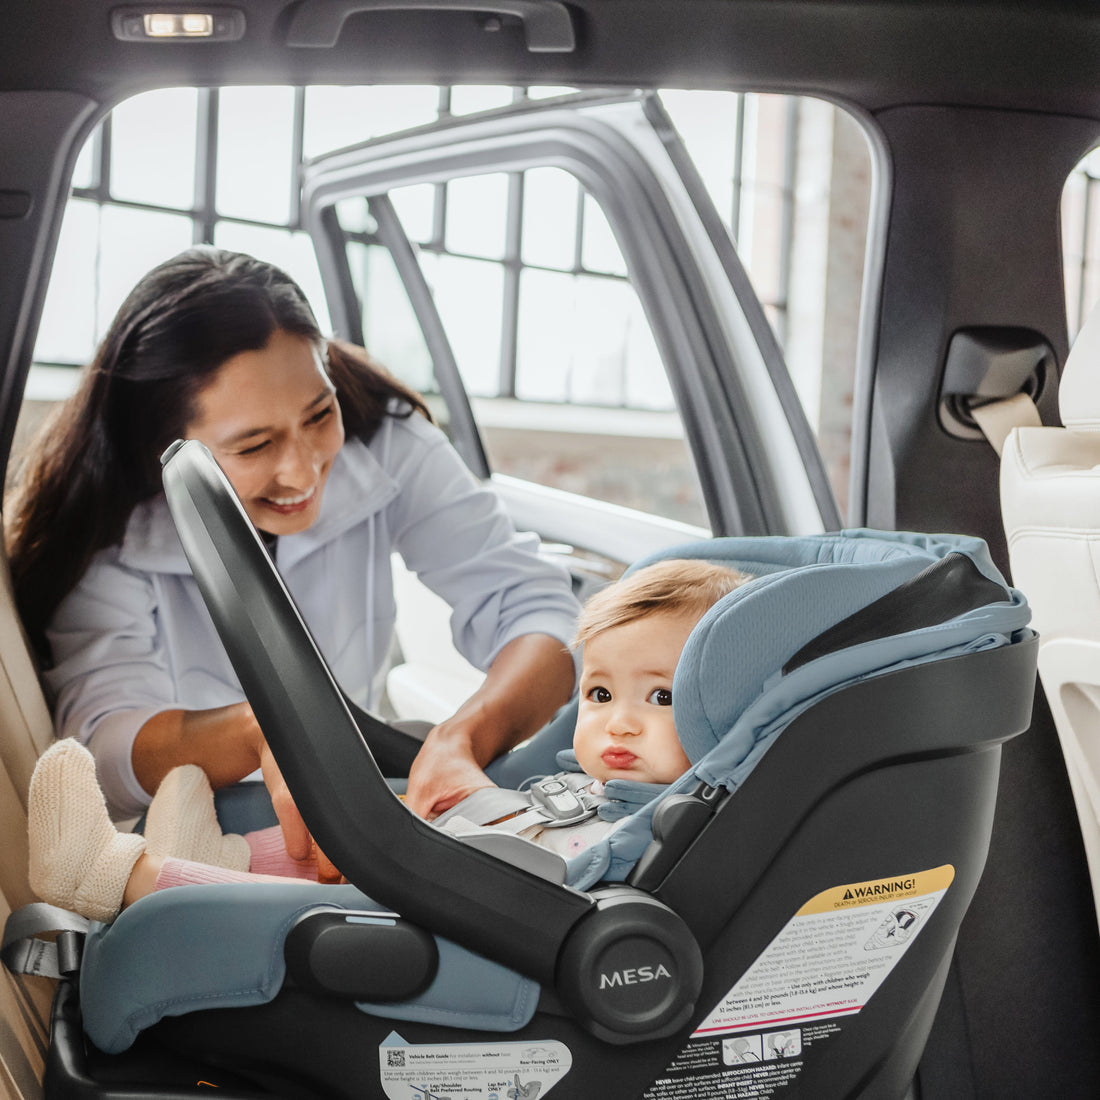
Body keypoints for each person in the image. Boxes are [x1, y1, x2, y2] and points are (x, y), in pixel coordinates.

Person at [6, 247, 581, 871]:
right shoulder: (106, 536)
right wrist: (265, 731)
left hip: (352, 800)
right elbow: (110, 746)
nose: (303, 469)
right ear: (161, 451)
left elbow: (537, 608)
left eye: (319, 414)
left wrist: (462, 736)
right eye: (254, 445)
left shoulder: (388, 442)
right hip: (198, 837)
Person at [26, 559, 752, 922]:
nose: (618, 721)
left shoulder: (671, 824)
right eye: (599, 694)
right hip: (473, 866)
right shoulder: (594, 789)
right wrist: (473, 806)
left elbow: (575, 882)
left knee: (364, 879)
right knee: (395, 816)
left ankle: (117, 878)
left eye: (660, 698)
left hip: (471, 924)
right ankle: (224, 857)